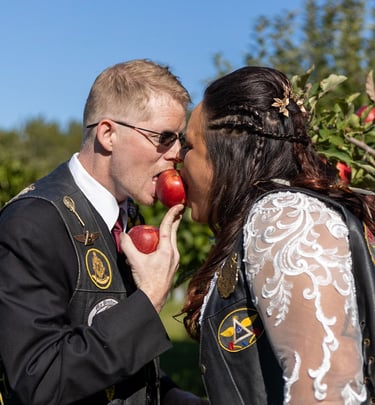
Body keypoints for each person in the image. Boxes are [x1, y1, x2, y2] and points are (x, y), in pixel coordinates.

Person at [0, 59, 206, 404]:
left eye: (179, 139)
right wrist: (150, 298)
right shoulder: (33, 223)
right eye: (164, 138)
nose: (176, 154)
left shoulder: (126, 217)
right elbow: (39, 381)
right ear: (108, 134)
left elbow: (133, 376)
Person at [179, 66, 375, 404]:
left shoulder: (284, 219)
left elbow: (325, 391)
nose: (177, 161)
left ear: (226, 151)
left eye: (188, 147)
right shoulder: (268, 218)